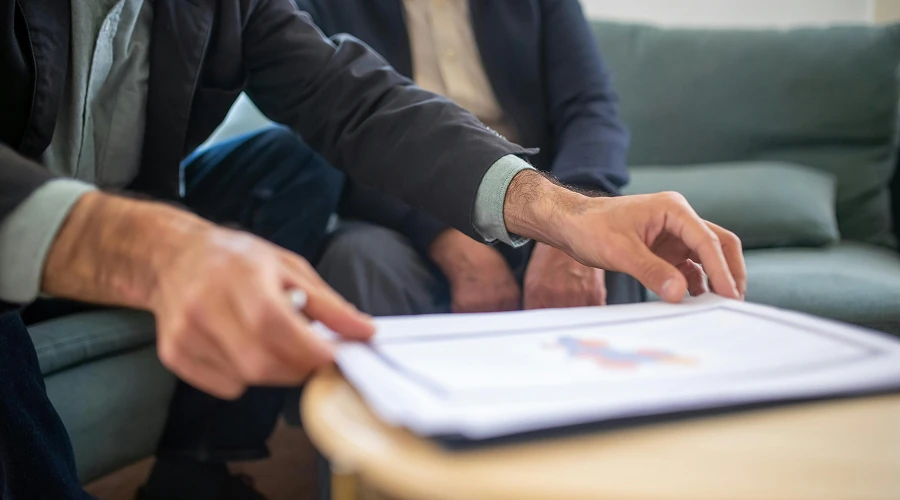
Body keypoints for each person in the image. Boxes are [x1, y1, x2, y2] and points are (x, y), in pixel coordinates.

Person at [0, 1, 745, 500]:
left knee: (289, 163)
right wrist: (146, 245)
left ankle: (199, 465)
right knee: (358, 256)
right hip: (20, 238)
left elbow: (353, 101)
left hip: (504, 181)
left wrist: (568, 213)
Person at [299, 0, 645, 315]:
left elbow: (590, 110)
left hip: (542, 197)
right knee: (359, 259)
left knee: (613, 252)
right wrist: (442, 236)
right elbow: (341, 128)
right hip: (404, 215)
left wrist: (574, 217)